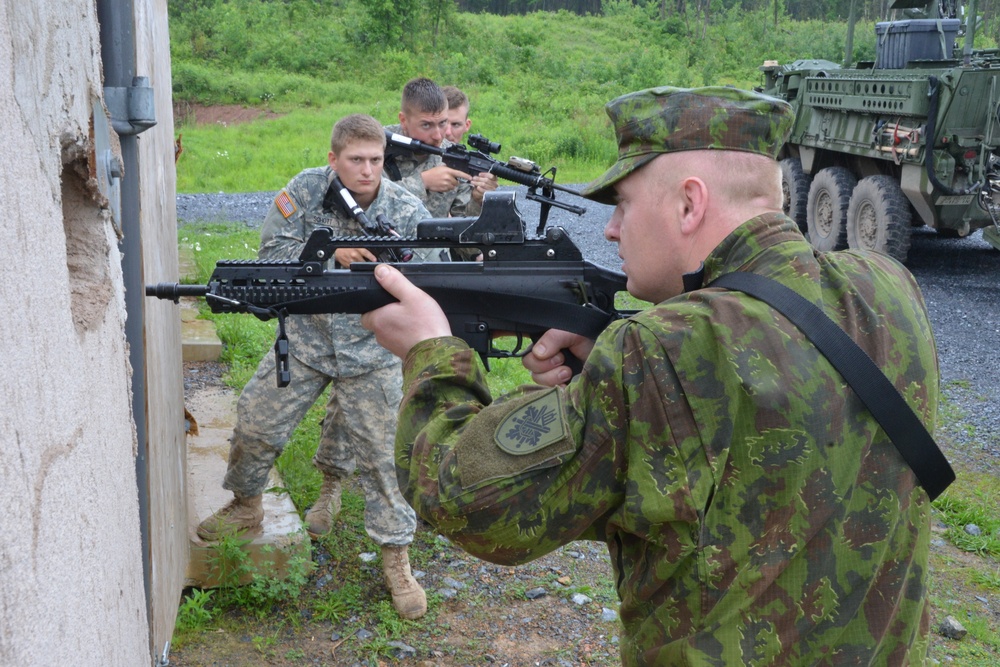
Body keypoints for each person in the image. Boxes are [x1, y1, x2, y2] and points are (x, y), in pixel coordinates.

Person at [359, 87, 939, 663]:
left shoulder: (659, 351)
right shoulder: (888, 287)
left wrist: (431, 350)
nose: (611, 229)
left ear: (690, 203)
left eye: (625, 204)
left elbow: (462, 497)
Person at [195, 113, 434, 620]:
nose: (368, 171)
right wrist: (331, 255)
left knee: (384, 460)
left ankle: (396, 558)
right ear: (333, 159)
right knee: (255, 423)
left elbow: (434, 271)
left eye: (375, 160)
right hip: (307, 340)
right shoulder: (303, 192)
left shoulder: (406, 207)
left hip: (373, 352)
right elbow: (271, 252)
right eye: (356, 160)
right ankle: (246, 506)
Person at [383, 77, 496, 221]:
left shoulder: (453, 156)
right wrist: (422, 182)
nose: (438, 136)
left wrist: (478, 200)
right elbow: (361, 203)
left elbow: (463, 227)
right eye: (426, 125)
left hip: (433, 243)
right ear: (404, 120)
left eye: (443, 123)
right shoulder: (376, 145)